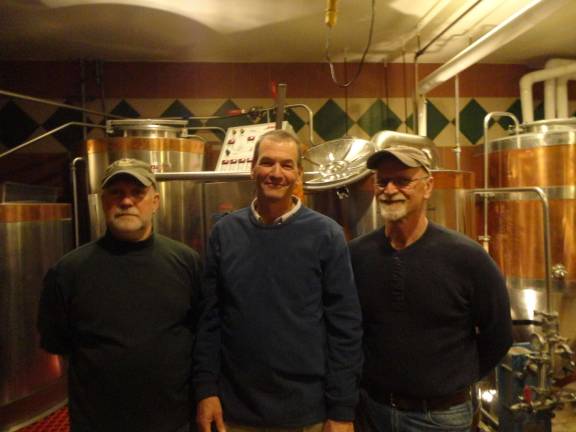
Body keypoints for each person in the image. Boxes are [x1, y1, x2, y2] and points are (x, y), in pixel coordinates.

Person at [193, 130, 363, 432]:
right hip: (235, 413)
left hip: (307, 414)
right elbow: (210, 319)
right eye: (267, 162)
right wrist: (206, 390)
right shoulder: (225, 232)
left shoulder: (326, 234)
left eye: (286, 165)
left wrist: (341, 409)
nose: (275, 173)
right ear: (252, 169)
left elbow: (345, 328)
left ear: (298, 173)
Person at [348, 145, 513, 432]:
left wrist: (454, 380)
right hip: (372, 412)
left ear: (428, 187)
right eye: (382, 181)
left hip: (440, 418)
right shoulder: (356, 255)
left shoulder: (467, 257)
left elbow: (498, 335)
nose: (389, 189)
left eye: (402, 180)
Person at [37, 158, 201, 432]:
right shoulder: (68, 271)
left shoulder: (186, 262)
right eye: (117, 193)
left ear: (156, 201)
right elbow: (57, 342)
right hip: (97, 424)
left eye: (137, 193)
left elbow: (201, 335)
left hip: (173, 423)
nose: (126, 201)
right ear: (102, 201)